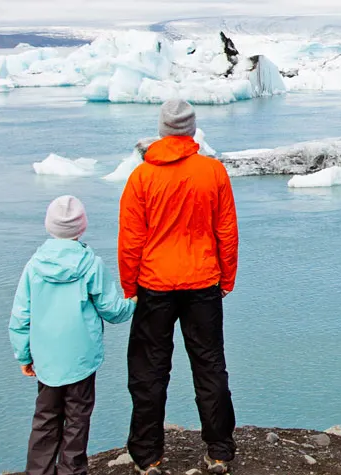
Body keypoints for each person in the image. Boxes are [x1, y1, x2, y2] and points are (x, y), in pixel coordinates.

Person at [119, 98, 240, 475]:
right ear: (190, 131)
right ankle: (219, 451)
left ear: (162, 130)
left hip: (155, 284)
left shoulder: (142, 177)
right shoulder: (212, 172)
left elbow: (130, 238)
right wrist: (227, 278)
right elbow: (227, 231)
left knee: (149, 371)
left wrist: (130, 285)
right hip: (203, 281)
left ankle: (148, 456)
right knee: (210, 366)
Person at [11, 195, 136, 475]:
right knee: (77, 419)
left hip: (46, 359)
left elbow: (21, 315)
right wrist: (134, 302)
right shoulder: (91, 264)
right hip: (81, 358)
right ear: (82, 227)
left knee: (45, 419)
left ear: (49, 226)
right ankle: (72, 470)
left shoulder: (34, 265)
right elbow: (112, 310)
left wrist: (24, 355)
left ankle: (39, 471)